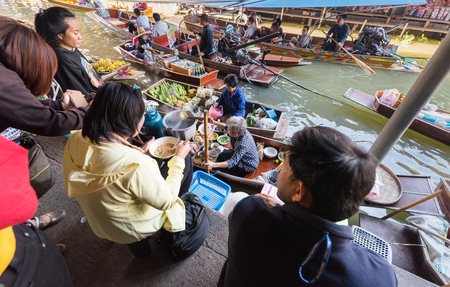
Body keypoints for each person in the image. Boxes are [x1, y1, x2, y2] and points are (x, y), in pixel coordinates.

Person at [217, 126, 397, 287]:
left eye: (284, 165)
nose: (278, 170)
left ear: (298, 191)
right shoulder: (382, 276)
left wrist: (283, 208)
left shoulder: (249, 213)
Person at [63, 82, 204, 258]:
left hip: (102, 224)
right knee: (186, 163)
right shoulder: (137, 166)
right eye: (141, 114)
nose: (143, 117)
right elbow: (166, 200)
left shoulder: (75, 138)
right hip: (134, 227)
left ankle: (141, 253)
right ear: (131, 123)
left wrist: (138, 152)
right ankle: (173, 222)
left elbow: (107, 165)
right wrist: (178, 158)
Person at [0, 137, 73, 287]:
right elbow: (25, 203)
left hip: (13, 234)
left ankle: (33, 229)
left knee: (46, 255)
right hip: (12, 272)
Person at [0, 16, 87, 137]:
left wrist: (60, 106)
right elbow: (50, 123)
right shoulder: (4, 81)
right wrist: (91, 111)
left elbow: (21, 104)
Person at [35, 7, 103, 98]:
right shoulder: (63, 59)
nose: (80, 37)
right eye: (75, 33)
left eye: (79, 32)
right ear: (60, 35)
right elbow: (81, 97)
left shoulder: (70, 47)